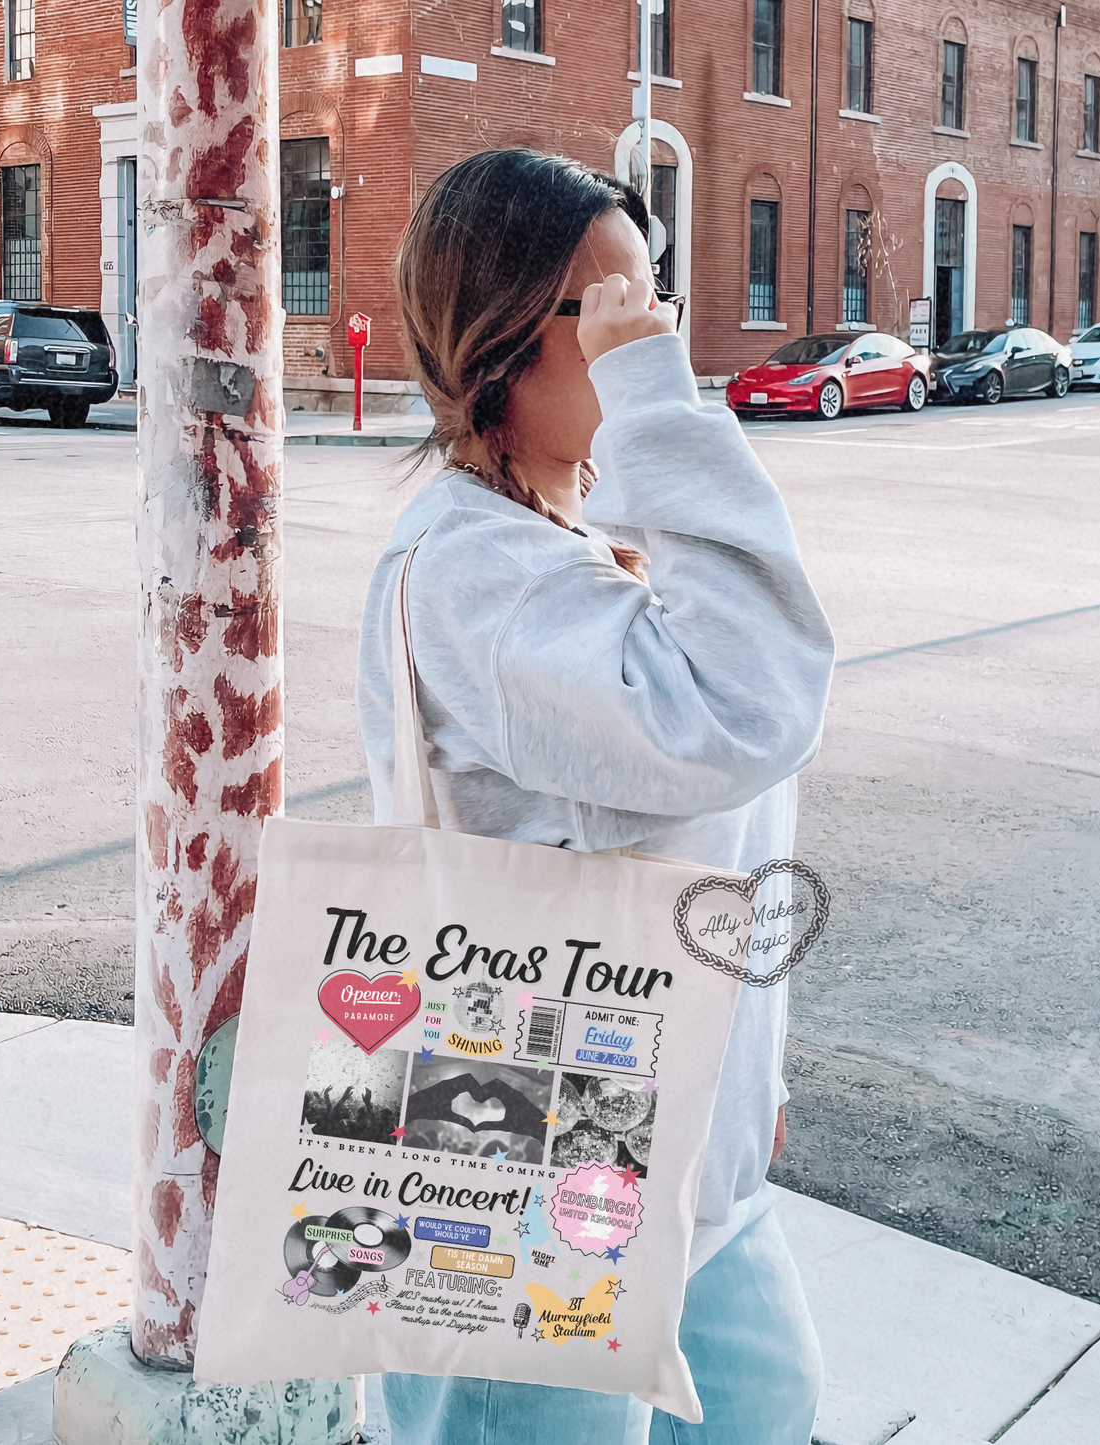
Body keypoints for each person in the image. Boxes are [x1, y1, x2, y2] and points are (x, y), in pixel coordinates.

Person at [357, 148, 836, 1445]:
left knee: (767, 1409)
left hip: (678, 1157)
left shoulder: (577, 550)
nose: (655, 333)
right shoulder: (477, 576)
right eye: (614, 311)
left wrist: (749, 1084)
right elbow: (754, 697)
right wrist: (659, 409)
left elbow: (717, 826)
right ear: (500, 348)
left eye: (656, 297)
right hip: (546, 1179)